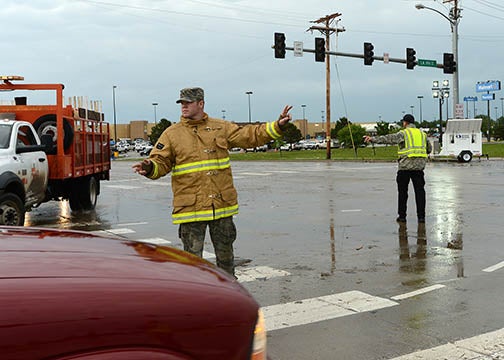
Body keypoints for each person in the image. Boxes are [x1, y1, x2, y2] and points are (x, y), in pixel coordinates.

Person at [133, 87, 292, 277]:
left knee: (226, 262)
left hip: (221, 206)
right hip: (191, 210)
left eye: (188, 102)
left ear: (201, 103)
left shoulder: (220, 127)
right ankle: (197, 300)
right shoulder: (171, 134)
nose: (183, 106)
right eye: (181, 103)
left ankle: (229, 297)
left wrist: (278, 126)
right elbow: (161, 161)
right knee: (192, 265)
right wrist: (150, 167)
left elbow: (250, 136)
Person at [363, 114, 431, 223]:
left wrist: (372, 139)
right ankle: (421, 217)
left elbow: (389, 139)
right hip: (419, 168)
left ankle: (402, 216)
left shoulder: (404, 133)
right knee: (420, 192)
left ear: (405, 123)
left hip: (404, 167)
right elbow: (429, 149)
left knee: (403, 192)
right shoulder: (423, 134)